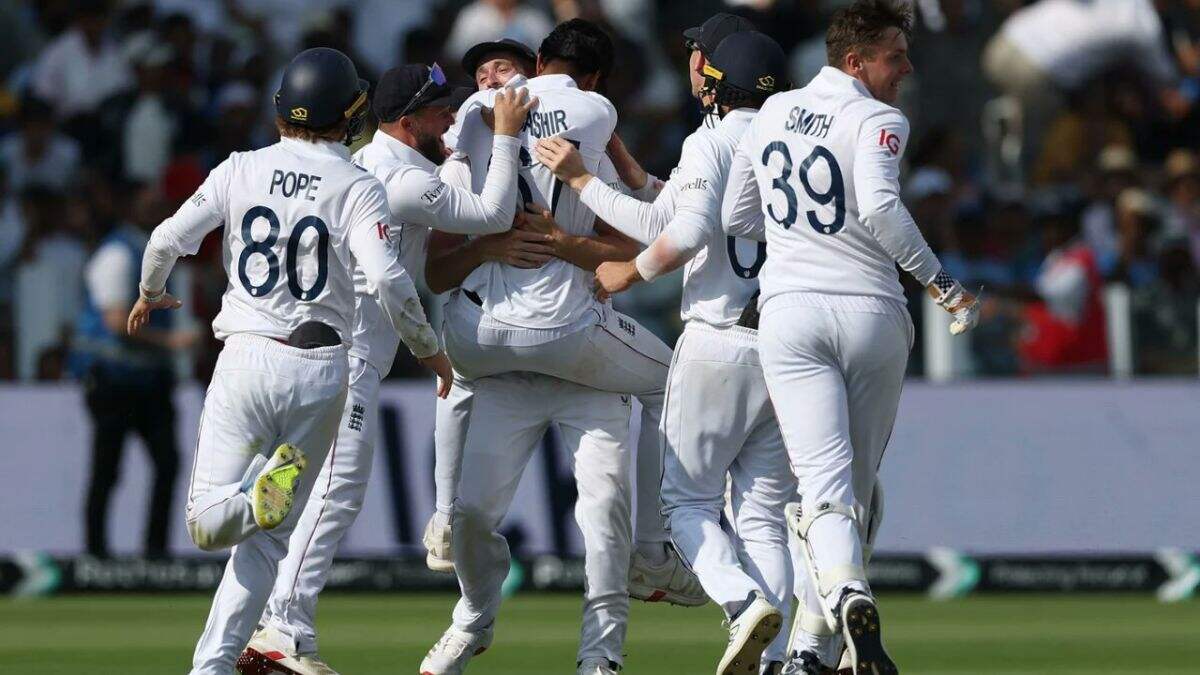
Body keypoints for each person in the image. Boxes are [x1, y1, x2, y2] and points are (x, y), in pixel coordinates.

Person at [126, 47, 451, 674]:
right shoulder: (358, 185)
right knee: (269, 546)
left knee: (207, 522)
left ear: (281, 108)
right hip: (325, 368)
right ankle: (212, 665)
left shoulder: (240, 167)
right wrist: (430, 352)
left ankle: (248, 512)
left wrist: (149, 294)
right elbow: (389, 281)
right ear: (352, 116)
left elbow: (166, 238)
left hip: (247, 357)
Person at [239, 63, 534, 674]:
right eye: (439, 111)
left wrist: (463, 138)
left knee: (307, 494)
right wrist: (503, 134)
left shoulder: (391, 166)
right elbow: (493, 211)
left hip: (316, 350)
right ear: (406, 122)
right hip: (344, 359)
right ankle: (281, 627)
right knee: (337, 490)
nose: (449, 117)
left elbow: (446, 213)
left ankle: (277, 628)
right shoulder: (393, 178)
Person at [419, 20, 692, 675]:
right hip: (566, 341)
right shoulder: (594, 115)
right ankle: (652, 558)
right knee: (677, 383)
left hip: (496, 343)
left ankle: (470, 599)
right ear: (596, 78)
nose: (494, 80)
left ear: (535, 63)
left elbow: (439, 251)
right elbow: (639, 239)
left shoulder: (473, 115)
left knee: (481, 515)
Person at [719, 2, 981, 672]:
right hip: (871, 314)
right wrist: (944, 286)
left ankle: (821, 633)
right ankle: (828, 627)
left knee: (822, 494)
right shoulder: (880, 118)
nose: (907, 68)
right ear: (855, 61)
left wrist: (796, 235)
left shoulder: (770, 113)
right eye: (896, 55)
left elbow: (738, 214)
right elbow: (881, 207)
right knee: (850, 494)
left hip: (791, 314)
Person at [536, 27, 798, 675]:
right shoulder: (795, 139)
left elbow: (677, 231)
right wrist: (629, 174)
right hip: (789, 342)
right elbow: (685, 206)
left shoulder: (711, 139)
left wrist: (581, 183)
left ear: (715, 77)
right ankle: (779, 657)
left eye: (699, 57)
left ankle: (739, 602)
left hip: (719, 335)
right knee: (763, 513)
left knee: (685, 502)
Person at [72, 183, 193, 559]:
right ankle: (96, 556)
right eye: (150, 205)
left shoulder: (153, 253)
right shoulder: (118, 254)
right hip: (113, 381)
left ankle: (154, 553)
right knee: (107, 468)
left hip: (151, 381)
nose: (159, 211)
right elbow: (115, 322)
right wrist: (170, 344)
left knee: (167, 463)